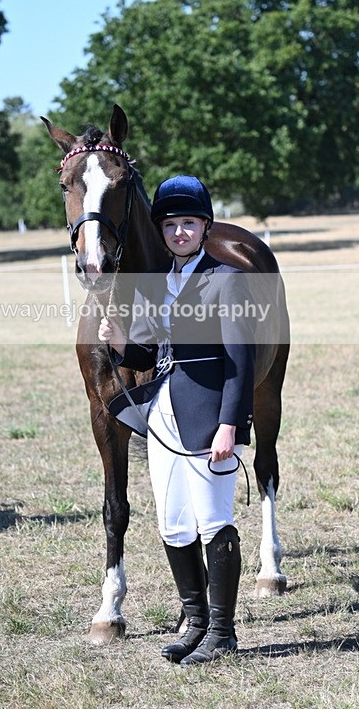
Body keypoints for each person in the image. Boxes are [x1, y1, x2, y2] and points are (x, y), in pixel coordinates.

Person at [98, 174, 256, 666]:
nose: (180, 232)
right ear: (161, 230)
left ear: (205, 226)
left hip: (208, 416)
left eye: (189, 223)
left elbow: (240, 360)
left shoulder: (226, 279)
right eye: (171, 224)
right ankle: (197, 623)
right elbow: (154, 351)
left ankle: (223, 632)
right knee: (172, 522)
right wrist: (122, 342)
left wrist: (230, 424)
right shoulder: (159, 283)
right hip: (161, 416)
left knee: (213, 520)